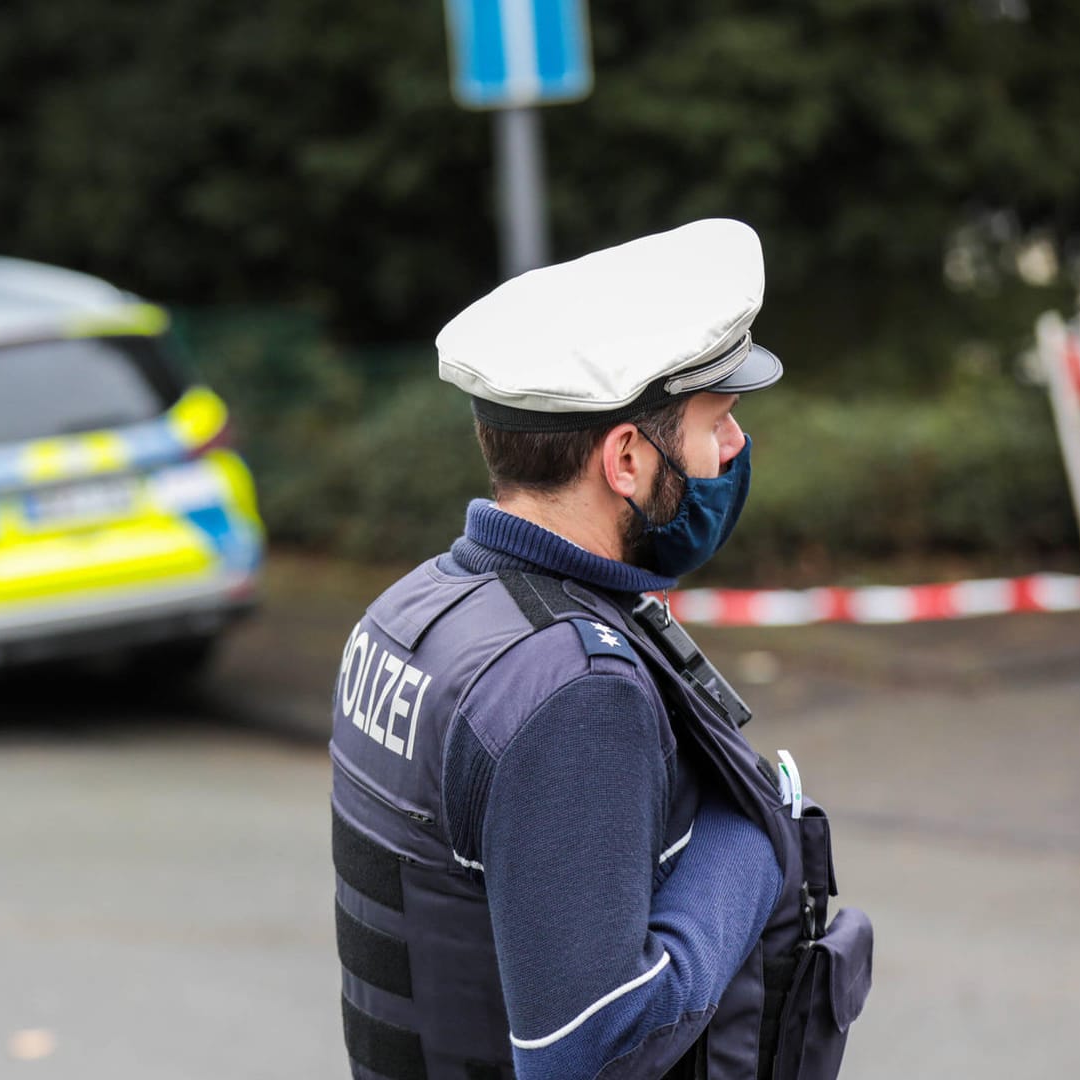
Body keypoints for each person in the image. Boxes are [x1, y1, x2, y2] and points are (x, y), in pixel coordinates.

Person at [331, 219, 869, 1080]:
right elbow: (587, 1046)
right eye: (717, 422)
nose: (733, 449)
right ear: (625, 457)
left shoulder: (409, 613)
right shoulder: (575, 691)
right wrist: (753, 830)